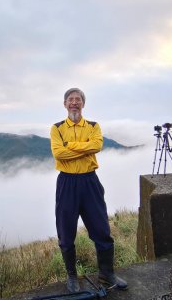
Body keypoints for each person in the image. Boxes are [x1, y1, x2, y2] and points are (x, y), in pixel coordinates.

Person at [50, 88, 128, 292]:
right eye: (70, 100)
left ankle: (107, 273)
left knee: (101, 229)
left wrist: (71, 146)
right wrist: (83, 147)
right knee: (66, 233)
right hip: (67, 183)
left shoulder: (94, 126)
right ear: (65, 104)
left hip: (90, 181)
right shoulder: (56, 128)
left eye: (78, 100)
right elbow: (59, 153)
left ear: (83, 104)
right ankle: (72, 276)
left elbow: (97, 146)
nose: (74, 103)